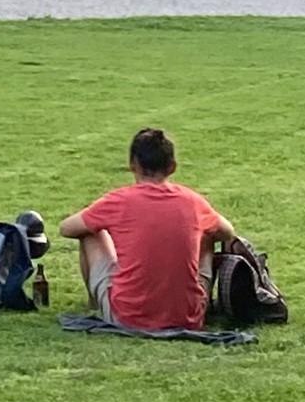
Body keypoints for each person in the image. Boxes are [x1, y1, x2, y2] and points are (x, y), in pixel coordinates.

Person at [58, 127, 236, 331]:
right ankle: (187, 299)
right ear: (172, 167)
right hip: (187, 318)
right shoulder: (193, 201)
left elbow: (67, 228)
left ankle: (96, 303)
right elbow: (227, 232)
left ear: (132, 165)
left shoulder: (119, 200)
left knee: (90, 232)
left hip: (128, 317)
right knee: (207, 234)